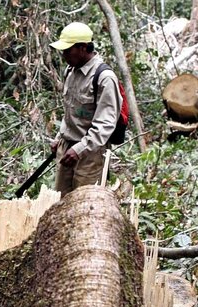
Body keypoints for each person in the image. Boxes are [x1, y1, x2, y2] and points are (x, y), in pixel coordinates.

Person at [49, 22, 122, 197]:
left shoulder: (104, 78)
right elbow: (70, 112)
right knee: (61, 204)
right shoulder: (71, 71)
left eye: (68, 50)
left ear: (83, 48)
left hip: (91, 155)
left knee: (85, 208)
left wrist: (80, 149)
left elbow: (105, 124)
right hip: (67, 148)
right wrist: (59, 138)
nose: (64, 55)